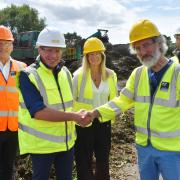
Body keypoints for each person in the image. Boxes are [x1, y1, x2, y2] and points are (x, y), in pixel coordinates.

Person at [87, 19, 180, 180]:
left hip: (173, 151)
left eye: (146, 45)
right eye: (137, 48)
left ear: (159, 43)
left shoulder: (177, 73)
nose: (142, 52)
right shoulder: (138, 74)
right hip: (144, 148)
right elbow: (122, 101)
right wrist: (96, 112)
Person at [18, 27, 90, 180]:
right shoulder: (28, 75)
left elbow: (69, 104)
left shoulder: (65, 73)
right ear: (39, 49)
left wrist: (84, 114)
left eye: (57, 51)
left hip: (66, 143)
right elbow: (38, 112)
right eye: (48, 50)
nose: (53, 55)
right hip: (42, 146)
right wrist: (74, 116)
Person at [73, 37, 117, 180]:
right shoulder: (78, 76)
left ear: (102, 55)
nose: (94, 57)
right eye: (91, 54)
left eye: (97, 53)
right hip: (84, 124)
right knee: (83, 161)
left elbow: (114, 100)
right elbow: (71, 102)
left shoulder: (111, 75)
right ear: (86, 57)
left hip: (104, 123)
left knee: (103, 160)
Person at [0, 25, 26, 180]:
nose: (3, 47)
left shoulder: (22, 68)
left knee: (9, 167)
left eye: (6, 43)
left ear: (12, 46)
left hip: (14, 128)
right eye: (0, 43)